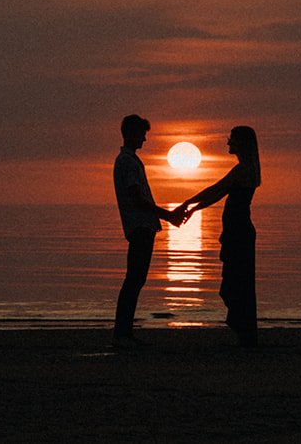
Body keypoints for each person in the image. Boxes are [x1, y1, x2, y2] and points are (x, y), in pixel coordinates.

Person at [179, 125, 261, 346]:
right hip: (238, 230)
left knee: (237, 280)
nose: (228, 142)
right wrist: (194, 208)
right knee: (239, 280)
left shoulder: (242, 170)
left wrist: (189, 202)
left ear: (241, 143)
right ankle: (245, 333)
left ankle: (245, 333)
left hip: (238, 231)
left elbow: (216, 188)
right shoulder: (247, 169)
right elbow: (218, 193)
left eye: (231, 138)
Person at [112, 113, 186, 348]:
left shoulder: (129, 160)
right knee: (134, 279)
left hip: (142, 226)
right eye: (142, 134)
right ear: (131, 133)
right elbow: (137, 199)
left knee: (135, 279)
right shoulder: (127, 162)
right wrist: (168, 215)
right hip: (140, 226)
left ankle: (124, 332)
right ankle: (122, 334)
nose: (144, 139)